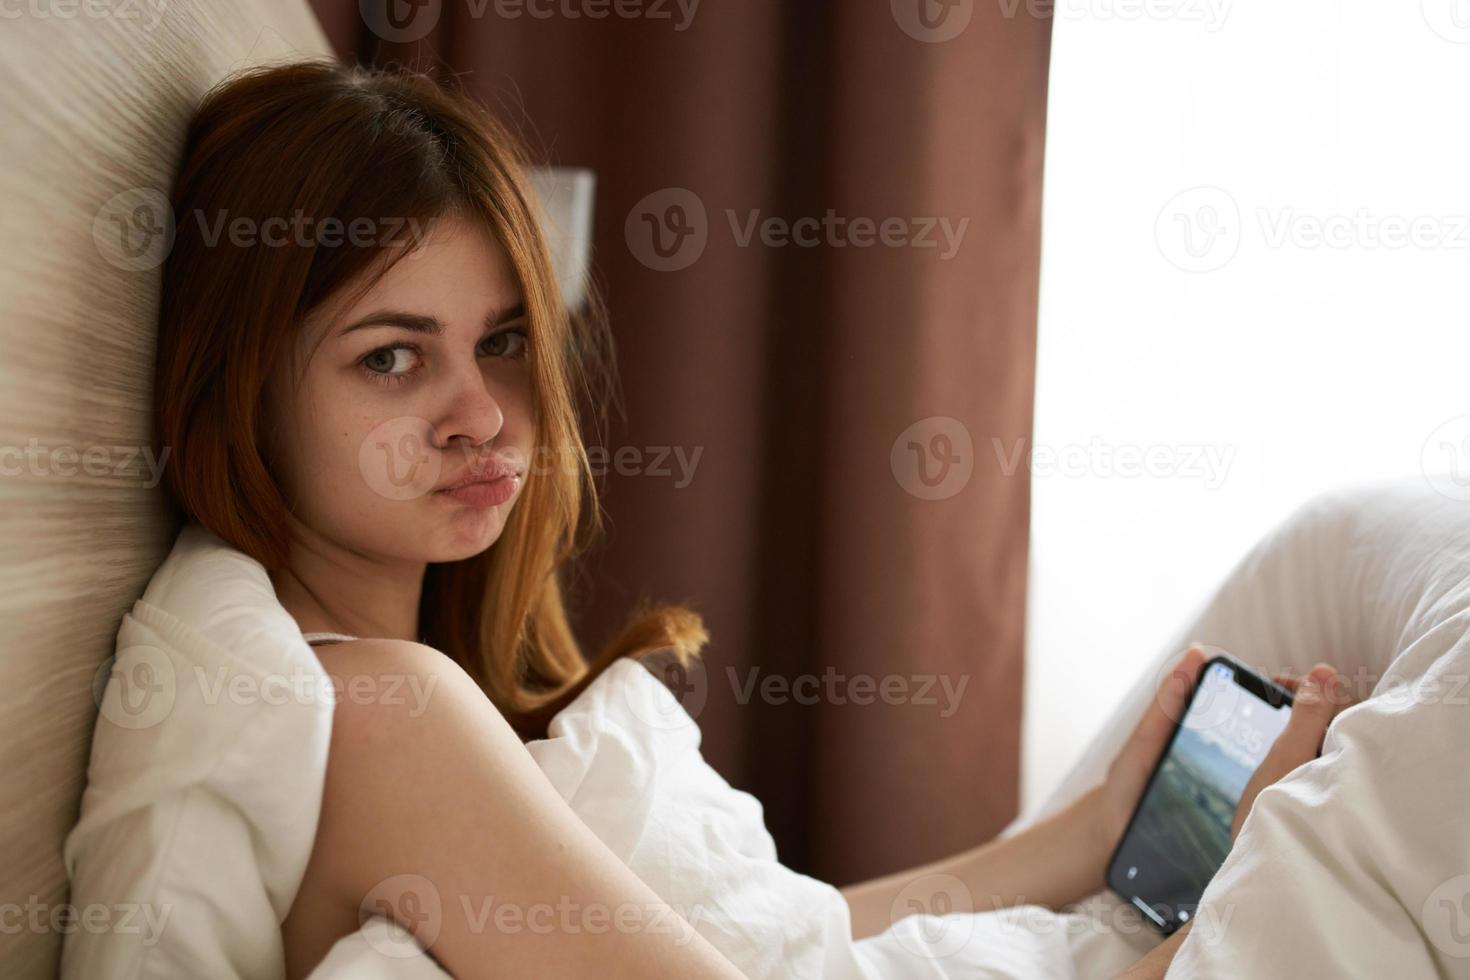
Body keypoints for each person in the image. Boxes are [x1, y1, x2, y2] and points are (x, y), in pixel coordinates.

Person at [151, 60, 1351, 979]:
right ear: (243, 385)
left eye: (505, 341)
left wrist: (1094, 828)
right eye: (393, 357)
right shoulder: (381, 714)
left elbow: (784, 939)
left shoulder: (427, 686)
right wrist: (1229, 922)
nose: (484, 412)